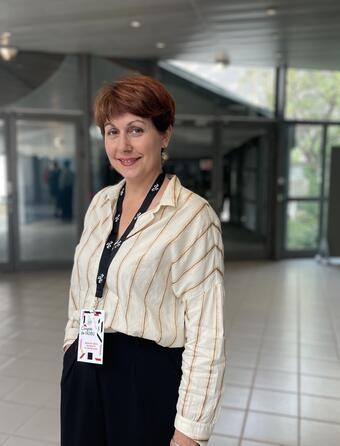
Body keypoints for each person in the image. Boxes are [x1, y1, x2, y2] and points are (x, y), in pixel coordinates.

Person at [60, 74, 226, 446]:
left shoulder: (194, 218)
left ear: (164, 134)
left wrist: (190, 430)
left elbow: (207, 333)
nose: (122, 145)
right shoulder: (102, 202)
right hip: (86, 366)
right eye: (111, 131)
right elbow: (81, 286)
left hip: (145, 379)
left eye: (136, 130)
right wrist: (72, 348)